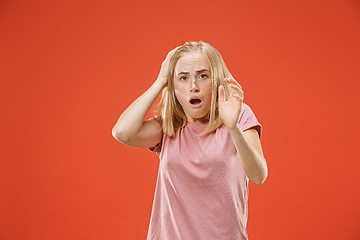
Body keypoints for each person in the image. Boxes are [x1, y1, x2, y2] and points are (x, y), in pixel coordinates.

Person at [112, 41, 268, 240]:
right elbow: (122, 132)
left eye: (203, 76)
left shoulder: (239, 115)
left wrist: (233, 127)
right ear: (173, 86)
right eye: (183, 78)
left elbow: (258, 176)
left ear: (217, 79)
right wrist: (160, 81)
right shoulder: (167, 126)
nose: (193, 86)